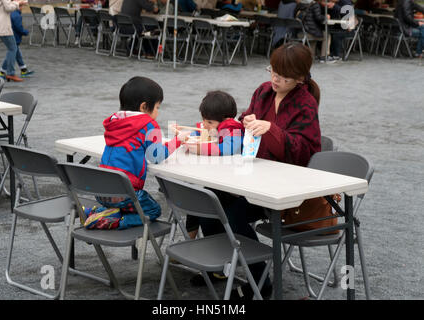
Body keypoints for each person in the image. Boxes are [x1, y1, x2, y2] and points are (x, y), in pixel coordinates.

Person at [195, 43, 322, 300]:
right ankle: (223, 266)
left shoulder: (305, 104)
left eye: (282, 76)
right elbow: (244, 124)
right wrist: (242, 123)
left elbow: (305, 153)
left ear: (299, 79)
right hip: (253, 176)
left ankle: (259, 280)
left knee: (233, 212)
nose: (274, 79)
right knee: (209, 200)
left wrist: (271, 130)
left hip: (286, 187)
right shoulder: (263, 91)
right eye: (272, 71)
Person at [89, 76, 183, 230]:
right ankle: (114, 221)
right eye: (158, 107)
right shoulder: (148, 124)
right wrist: (177, 140)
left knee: (126, 204)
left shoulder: (115, 121)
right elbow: (157, 157)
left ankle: (98, 212)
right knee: (153, 210)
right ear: (144, 107)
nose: (158, 112)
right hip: (125, 192)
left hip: (101, 190)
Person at [173, 90, 245, 241]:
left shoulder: (233, 130)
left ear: (226, 120)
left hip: (233, 186)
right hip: (213, 179)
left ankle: (191, 238)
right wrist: (185, 136)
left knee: (200, 196)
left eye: (210, 122)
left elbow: (228, 148)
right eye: (203, 120)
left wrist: (200, 149)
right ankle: (190, 237)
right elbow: (196, 135)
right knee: (197, 195)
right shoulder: (210, 126)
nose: (205, 125)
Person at [0, 7, 34, 80]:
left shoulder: (10, 13)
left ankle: (23, 70)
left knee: (17, 53)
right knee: (12, 53)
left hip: (10, 35)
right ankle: (2, 72)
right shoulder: (16, 15)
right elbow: (19, 28)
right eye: (21, 6)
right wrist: (25, 32)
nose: (22, 8)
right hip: (14, 37)